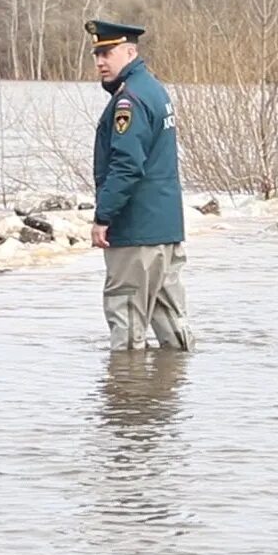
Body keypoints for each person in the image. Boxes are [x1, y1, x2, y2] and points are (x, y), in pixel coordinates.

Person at [87, 18, 194, 352]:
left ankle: (127, 401)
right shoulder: (155, 90)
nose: (101, 61)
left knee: (127, 327)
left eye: (109, 52)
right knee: (173, 327)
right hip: (165, 231)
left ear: (130, 51)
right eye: (97, 54)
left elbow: (127, 165)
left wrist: (103, 217)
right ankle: (172, 398)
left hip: (136, 234)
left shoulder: (128, 101)